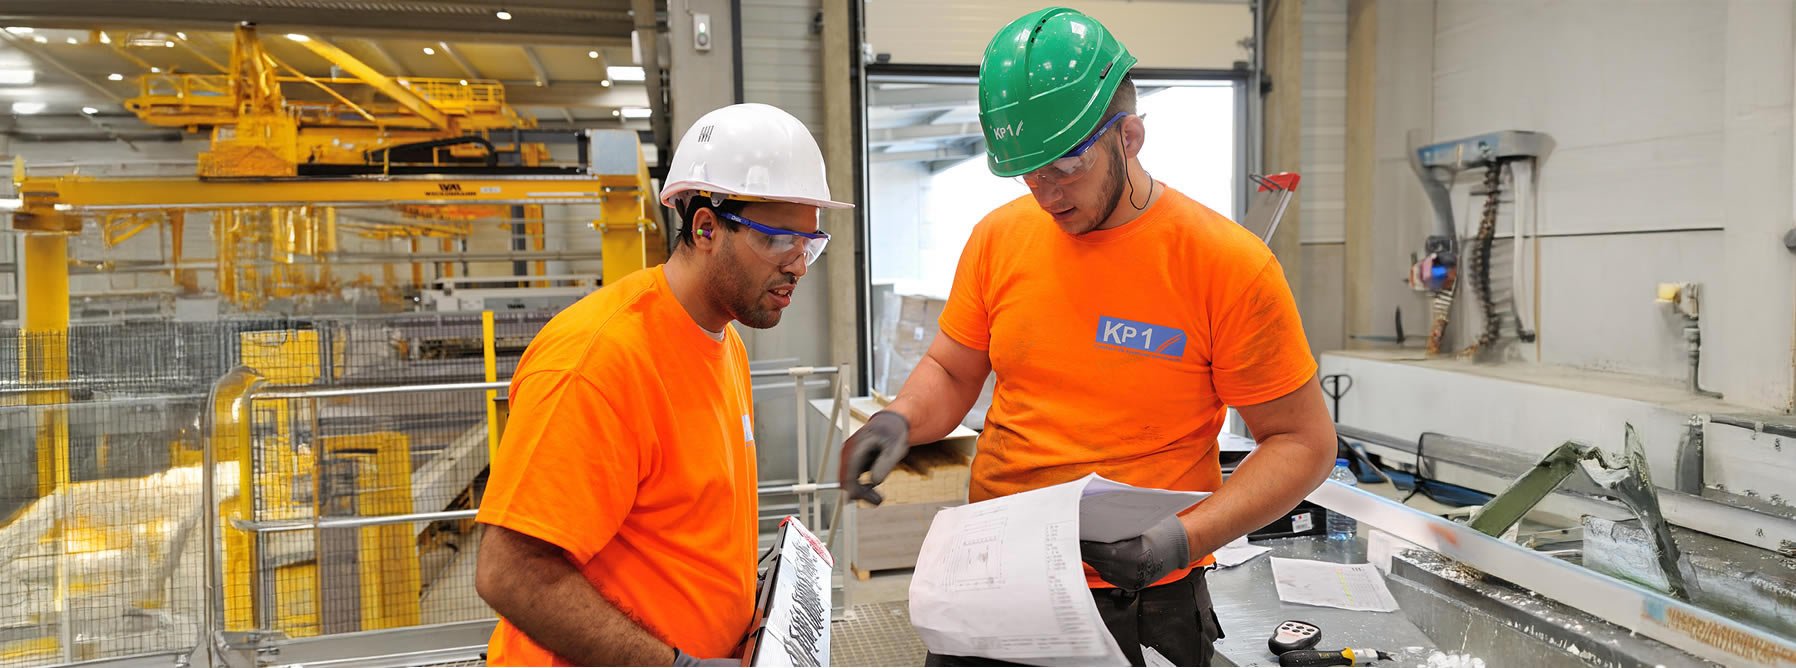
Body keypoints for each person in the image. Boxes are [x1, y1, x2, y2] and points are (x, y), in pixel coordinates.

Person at [839, 7, 1339, 666]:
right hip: (993, 581)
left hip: (1142, 601)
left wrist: (1179, 541)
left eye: (1065, 166)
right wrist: (901, 418)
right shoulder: (1000, 237)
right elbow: (954, 369)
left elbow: (1302, 443)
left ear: (1129, 137)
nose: (1045, 193)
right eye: (1027, 170)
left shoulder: (1226, 266)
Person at [474, 103, 850, 666]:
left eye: (809, 245)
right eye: (778, 240)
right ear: (704, 227)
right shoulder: (598, 360)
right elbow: (511, 573)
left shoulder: (727, 344)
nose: (798, 264)